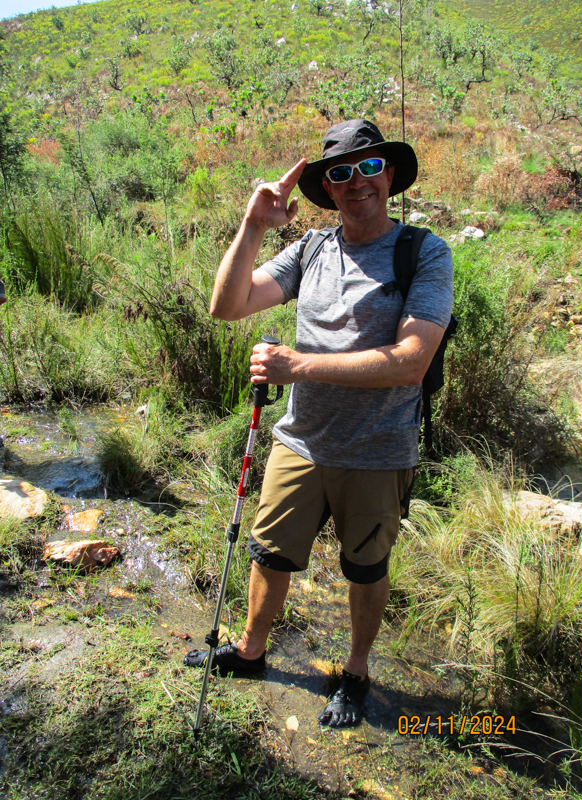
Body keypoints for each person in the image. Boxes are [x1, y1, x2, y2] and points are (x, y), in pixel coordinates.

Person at [184, 119, 453, 728]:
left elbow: (411, 363)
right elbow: (227, 305)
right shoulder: (309, 250)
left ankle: (354, 672)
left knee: (365, 568)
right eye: (340, 173)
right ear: (327, 189)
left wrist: (298, 364)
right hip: (299, 442)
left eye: (368, 168)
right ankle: (252, 651)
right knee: (269, 554)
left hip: (379, 450)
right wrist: (253, 225)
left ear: (388, 175)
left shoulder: (424, 252)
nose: (357, 182)